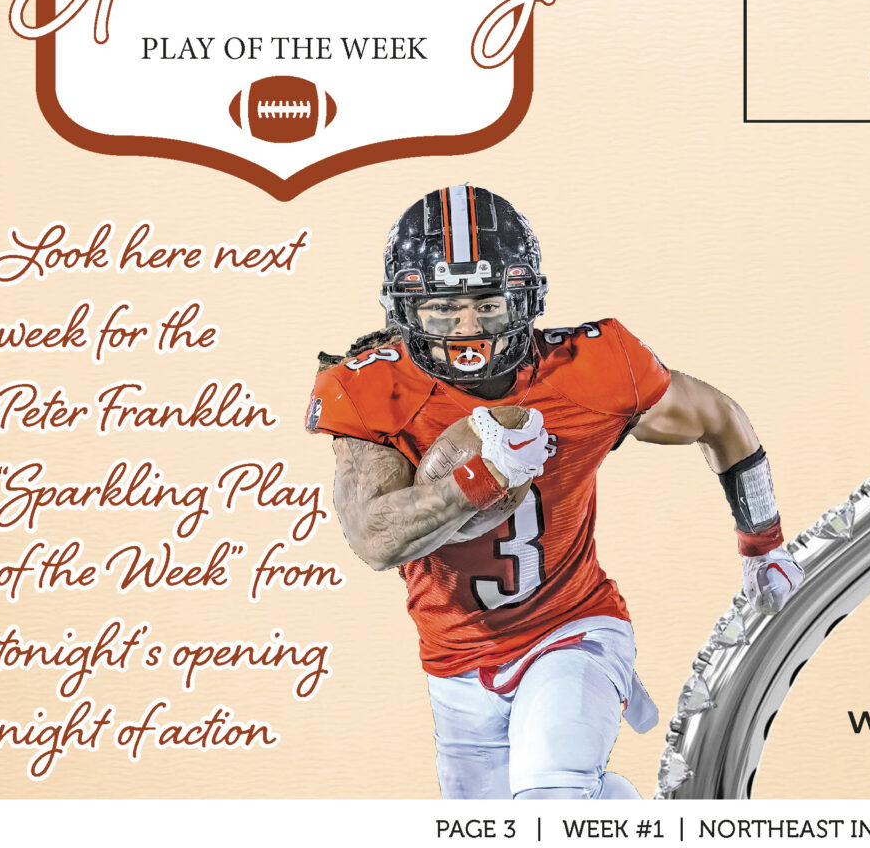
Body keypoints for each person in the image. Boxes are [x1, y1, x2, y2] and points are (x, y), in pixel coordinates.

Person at [307, 186, 802, 801]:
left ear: (524, 297)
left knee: (552, 799)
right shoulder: (374, 387)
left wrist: (764, 543)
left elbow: (719, 418)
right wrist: (483, 479)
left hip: (572, 629)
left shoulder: (587, 370)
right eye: (443, 309)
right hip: (455, 661)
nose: (467, 330)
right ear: (406, 310)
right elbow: (375, 539)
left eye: (488, 304)